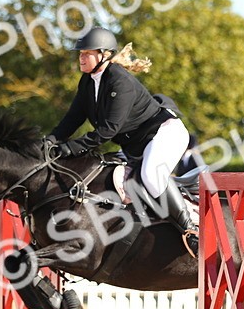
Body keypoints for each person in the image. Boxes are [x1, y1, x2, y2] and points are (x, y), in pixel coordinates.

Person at [45, 26, 199, 257]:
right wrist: (48, 143)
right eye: (80, 54)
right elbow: (72, 119)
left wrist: (69, 148)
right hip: (137, 146)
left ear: (104, 55)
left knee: (151, 176)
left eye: (87, 53)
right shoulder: (87, 83)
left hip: (165, 134)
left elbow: (108, 130)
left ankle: (191, 230)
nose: (82, 58)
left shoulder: (120, 81)